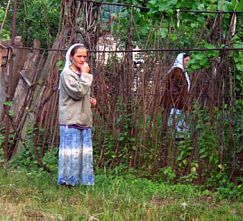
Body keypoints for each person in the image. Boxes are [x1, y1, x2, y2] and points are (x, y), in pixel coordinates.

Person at [58, 43, 96, 186]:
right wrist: (86, 74)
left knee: (82, 153)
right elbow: (77, 92)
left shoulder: (81, 74)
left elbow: (82, 93)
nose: (82, 59)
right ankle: (67, 182)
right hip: (71, 119)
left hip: (83, 119)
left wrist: (90, 100)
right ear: (71, 57)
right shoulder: (67, 73)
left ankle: (82, 181)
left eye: (85, 56)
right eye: (79, 56)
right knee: (70, 153)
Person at [161, 53, 190, 138]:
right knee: (177, 126)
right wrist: (180, 102)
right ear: (181, 60)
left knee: (178, 127)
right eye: (186, 60)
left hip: (177, 104)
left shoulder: (181, 71)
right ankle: (177, 144)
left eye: (189, 60)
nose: (188, 62)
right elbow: (174, 90)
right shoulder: (177, 71)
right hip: (176, 104)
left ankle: (177, 143)